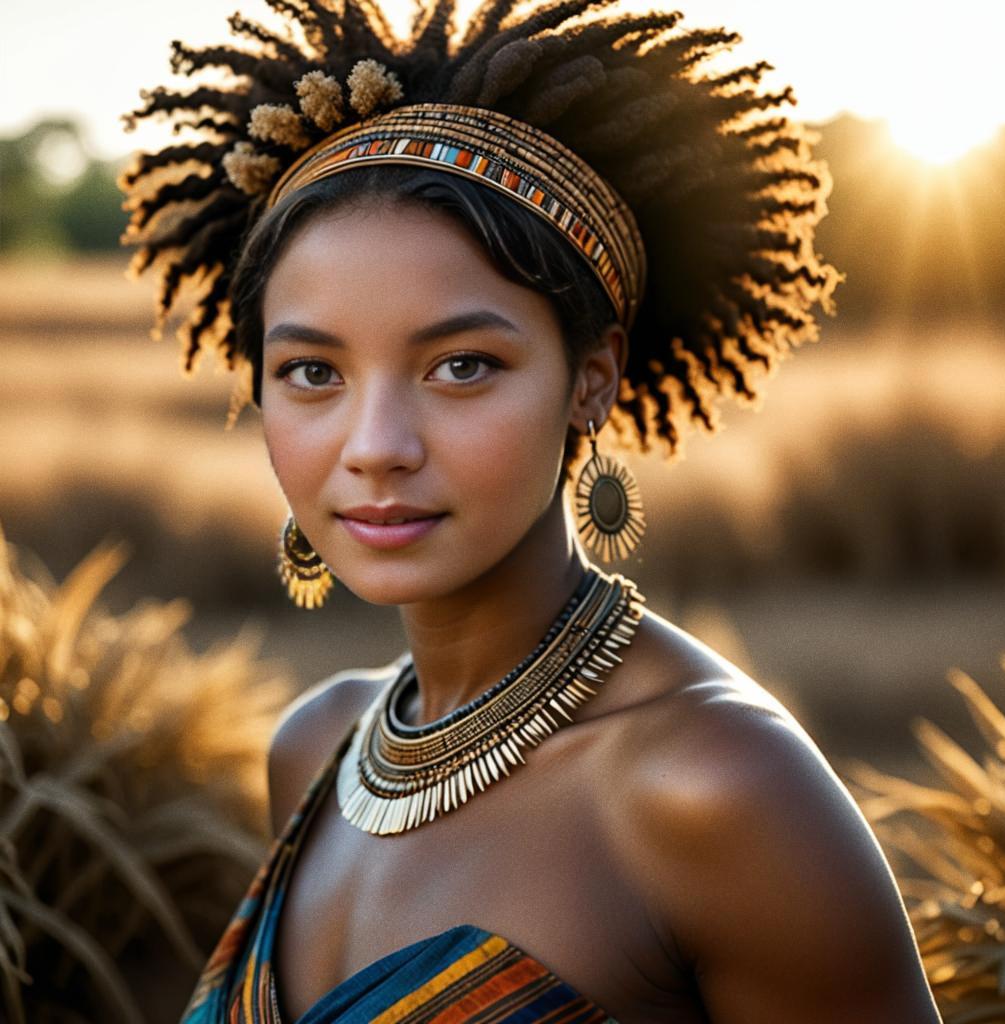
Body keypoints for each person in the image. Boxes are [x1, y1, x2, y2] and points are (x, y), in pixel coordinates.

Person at [121, 0, 942, 1020]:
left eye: (462, 366)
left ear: (590, 379)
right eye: (311, 371)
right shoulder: (315, 748)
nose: (375, 445)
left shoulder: (716, 788)